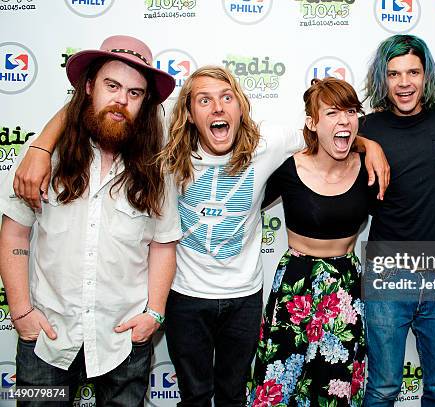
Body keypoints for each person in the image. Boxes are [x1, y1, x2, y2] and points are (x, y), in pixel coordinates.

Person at [9, 63, 389, 406]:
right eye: (204, 100)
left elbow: (329, 127)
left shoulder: (266, 144)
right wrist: (42, 145)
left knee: (233, 397)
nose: (218, 108)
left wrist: (367, 144)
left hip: (243, 298)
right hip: (185, 298)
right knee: (194, 397)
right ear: (189, 114)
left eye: (227, 98)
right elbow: (110, 109)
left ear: (241, 107)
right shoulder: (166, 150)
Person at [0, 35, 181, 405]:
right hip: (46, 340)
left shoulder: (154, 170)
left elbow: (163, 246)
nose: (121, 100)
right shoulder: (45, 156)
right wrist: (20, 312)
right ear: (88, 87)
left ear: (144, 102)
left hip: (123, 341)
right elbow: (15, 234)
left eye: (134, 93)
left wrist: (154, 315)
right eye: (111, 86)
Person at [359, 34, 435, 406]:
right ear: (382, 79)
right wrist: (365, 144)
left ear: (426, 75)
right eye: (394, 74)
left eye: (413, 72)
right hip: (386, 270)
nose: (404, 83)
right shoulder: (368, 128)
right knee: (383, 387)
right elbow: (320, 133)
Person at [248, 78, 371, 406]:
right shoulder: (288, 168)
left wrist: (372, 147)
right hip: (295, 283)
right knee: (278, 382)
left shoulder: (368, 169)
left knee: (336, 387)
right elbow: (244, 206)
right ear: (312, 123)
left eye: (350, 111)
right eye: (332, 113)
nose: (344, 120)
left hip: (344, 286)